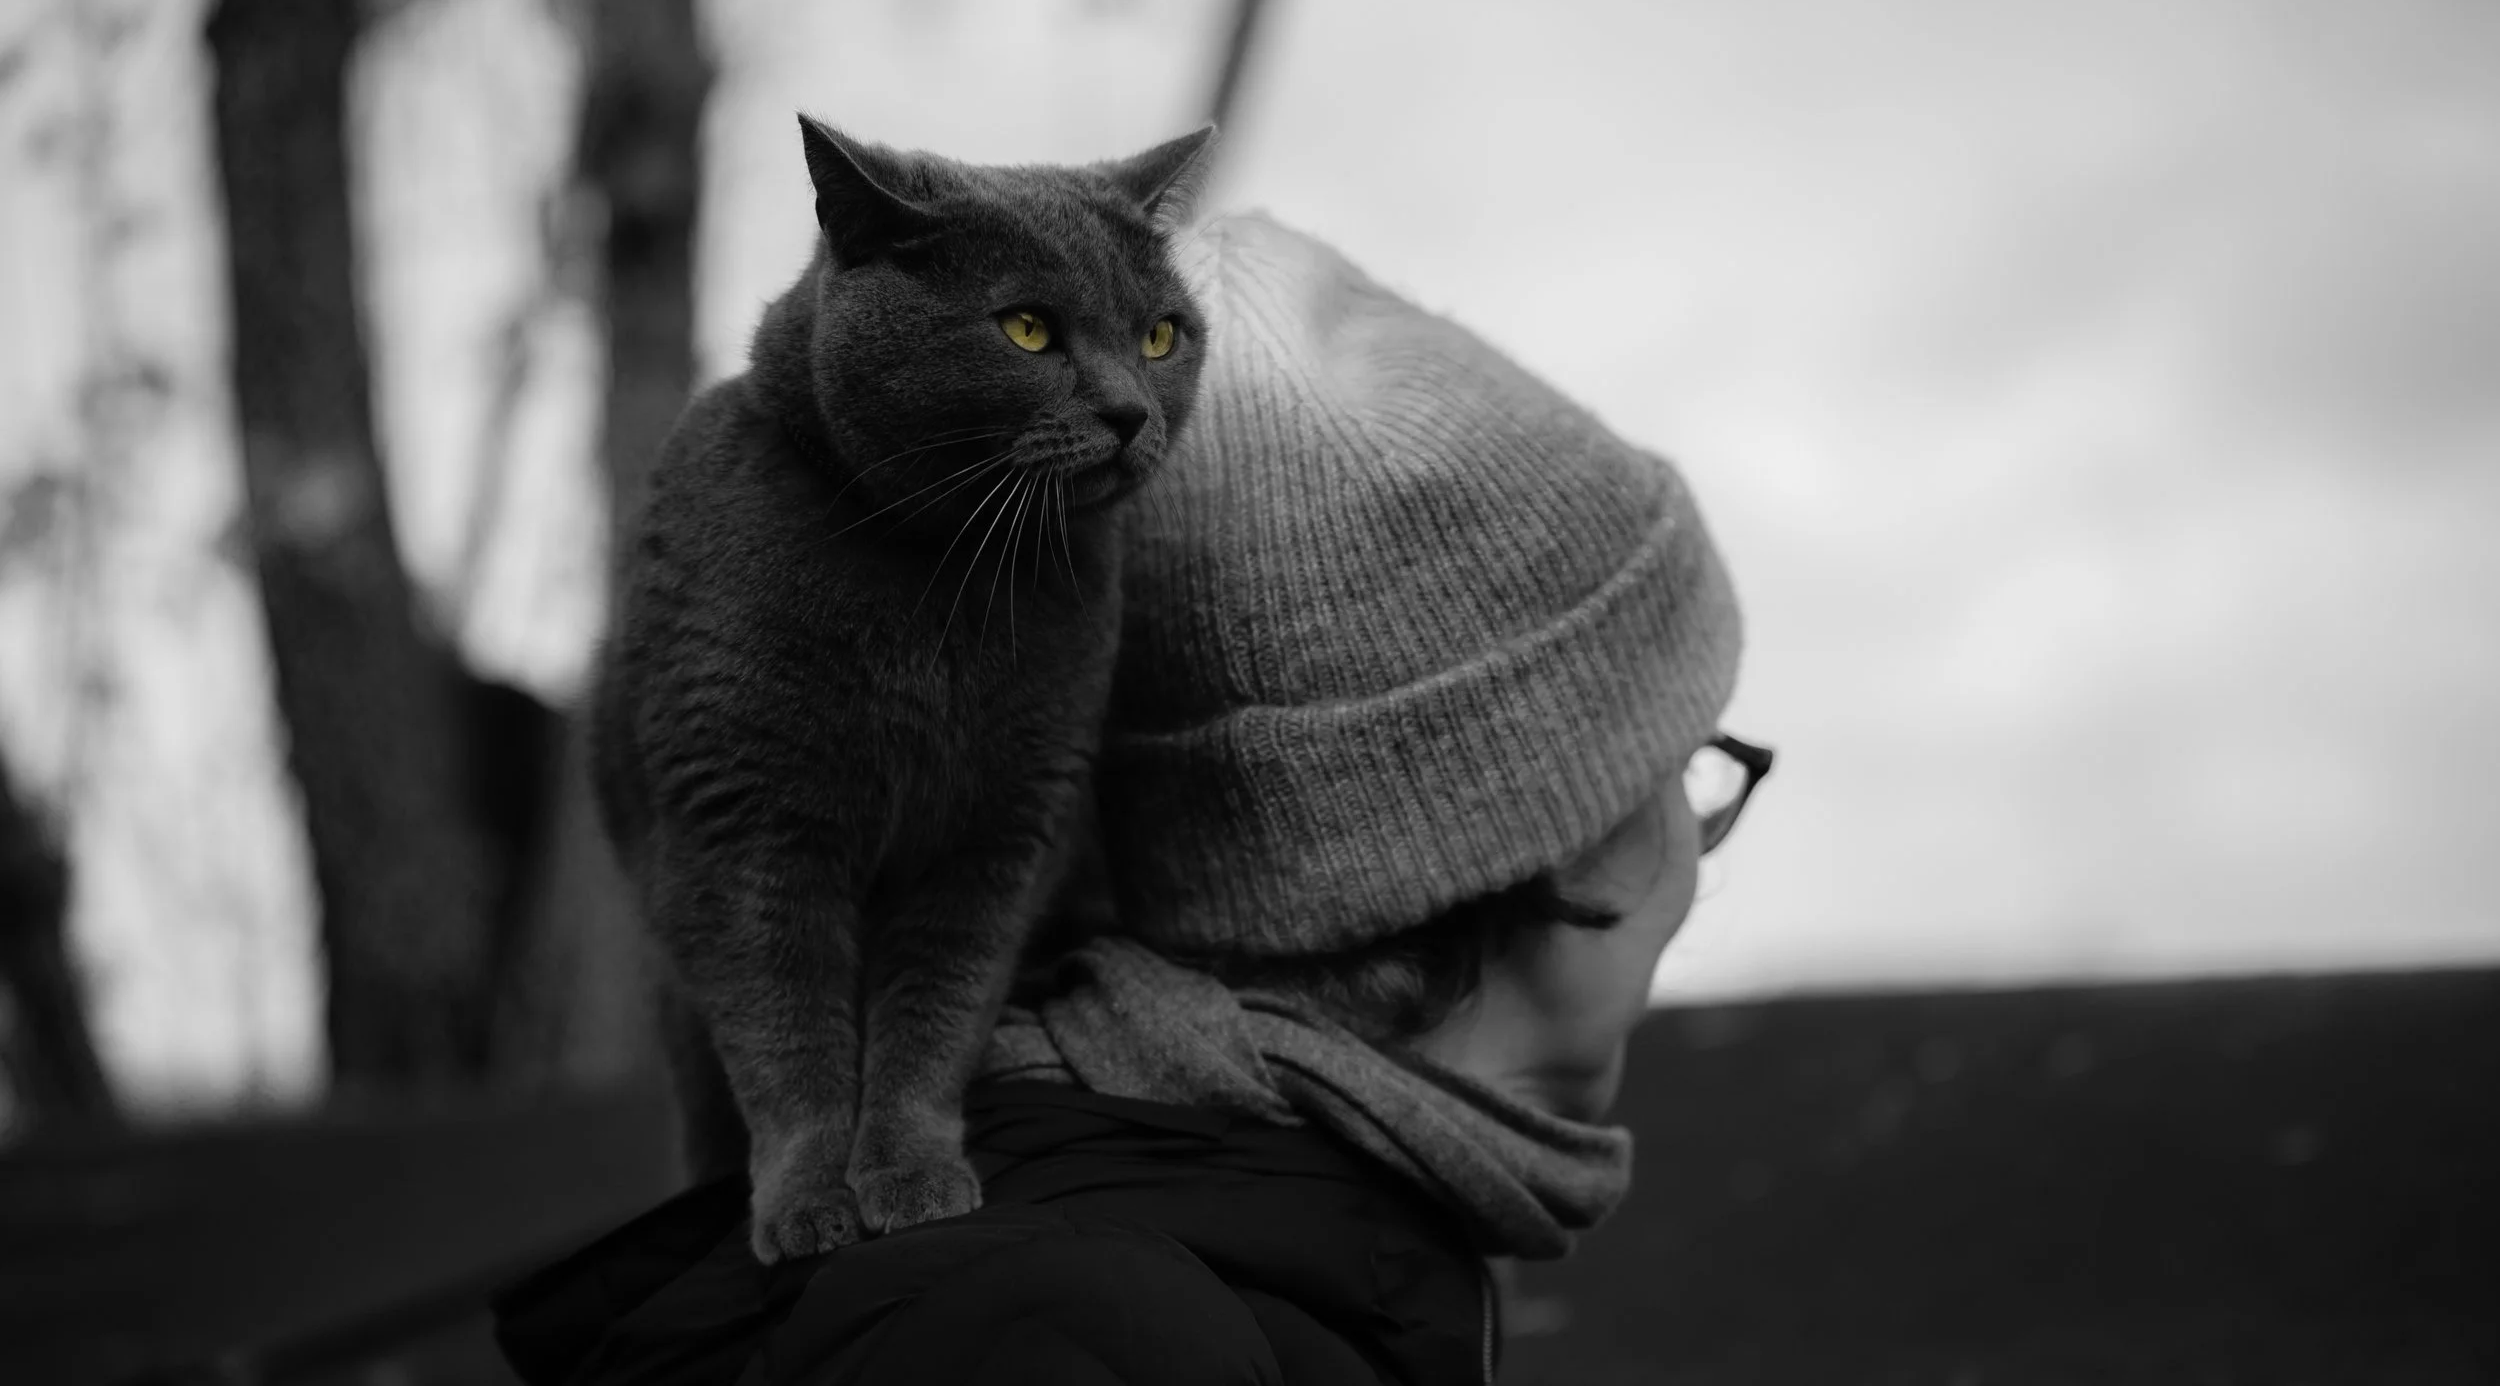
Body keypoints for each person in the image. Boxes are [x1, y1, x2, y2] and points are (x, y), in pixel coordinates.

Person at [493, 212, 1768, 1385]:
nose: (1698, 860)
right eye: (1691, 765)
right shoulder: (1089, 1345)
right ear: (1550, 833)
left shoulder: (1219, 1250)